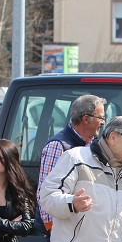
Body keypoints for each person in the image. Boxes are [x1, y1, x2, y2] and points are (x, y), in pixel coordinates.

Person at [37, 94, 106, 229]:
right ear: (86, 119)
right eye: (101, 117)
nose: (103, 122)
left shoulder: (93, 146)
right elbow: (45, 193)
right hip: (61, 230)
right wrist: (51, 227)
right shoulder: (57, 146)